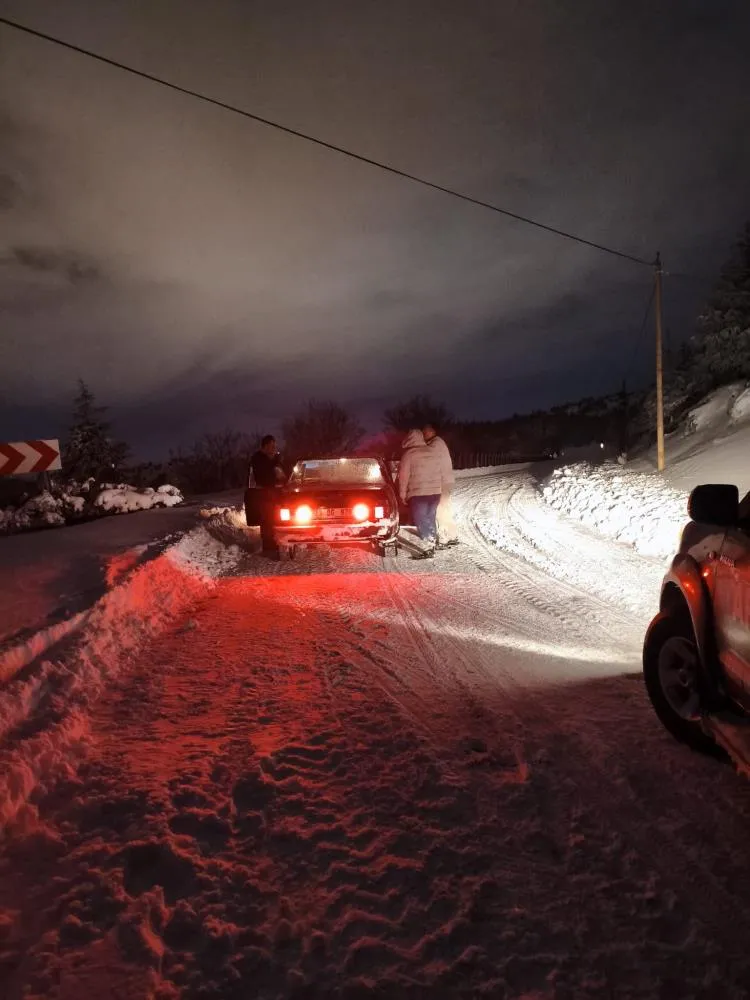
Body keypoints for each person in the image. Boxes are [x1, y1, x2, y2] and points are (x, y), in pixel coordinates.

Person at [397, 429, 444, 559]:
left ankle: (428, 546)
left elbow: (403, 477)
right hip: (435, 492)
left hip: (419, 493)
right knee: (430, 517)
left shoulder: (409, 454)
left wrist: (402, 494)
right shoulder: (432, 452)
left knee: (421, 520)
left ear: (409, 439)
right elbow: (440, 471)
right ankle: (433, 541)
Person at [423, 422, 459, 548]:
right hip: (446, 481)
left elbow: (426, 458)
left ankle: (443, 538)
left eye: (426, 432)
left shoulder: (435, 444)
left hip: (441, 482)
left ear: (432, 432)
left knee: (439, 510)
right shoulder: (439, 443)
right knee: (446, 509)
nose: (424, 435)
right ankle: (452, 535)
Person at [248, 435, 285, 555]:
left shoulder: (276, 458)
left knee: (277, 518)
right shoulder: (258, 458)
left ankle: (277, 542)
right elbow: (263, 477)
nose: (274, 448)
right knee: (267, 520)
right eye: (271, 446)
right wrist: (274, 467)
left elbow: (282, 473)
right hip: (264, 494)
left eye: (274, 446)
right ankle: (268, 547)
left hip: (276, 494)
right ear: (264, 447)